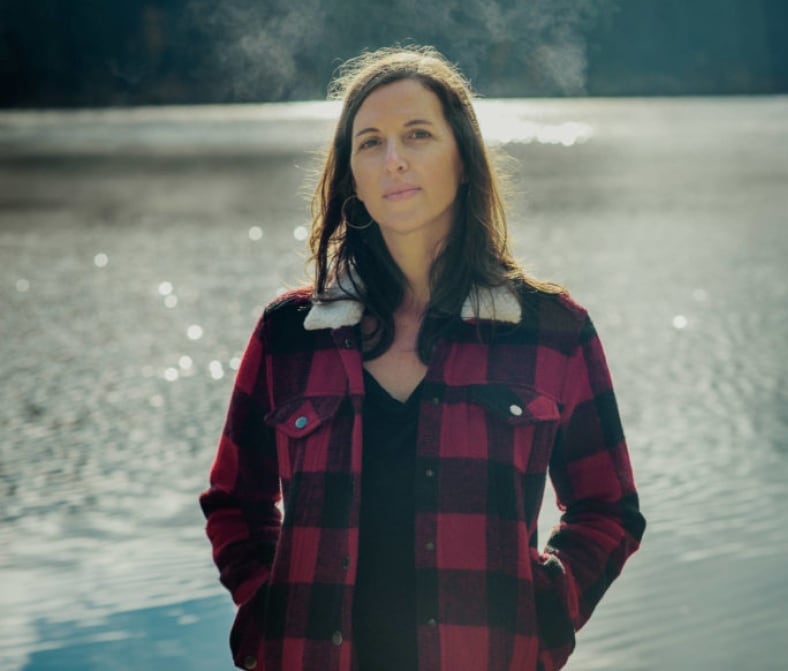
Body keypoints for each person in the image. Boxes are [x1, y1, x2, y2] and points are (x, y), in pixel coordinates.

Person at [198, 46, 645, 671]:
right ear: (351, 176)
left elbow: (608, 507)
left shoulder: (552, 331)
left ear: (464, 159)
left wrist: (545, 609)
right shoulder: (290, 335)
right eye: (370, 142)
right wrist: (270, 608)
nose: (394, 159)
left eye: (417, 134)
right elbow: (234, 505)